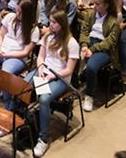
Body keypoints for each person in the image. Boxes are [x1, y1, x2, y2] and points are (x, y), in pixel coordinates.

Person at [27, 12, 80, 156]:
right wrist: (40, 68)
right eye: (50, 21)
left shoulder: (72, 43)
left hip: (61, 78)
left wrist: (52, 75)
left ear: (62, 24)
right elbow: (41, 57)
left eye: (54, 22)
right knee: (23, 85)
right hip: (44, 71)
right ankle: (25, 121)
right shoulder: (47, 36)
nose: (50, 25)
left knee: (44, 99)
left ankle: (43, 139)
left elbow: (69, 70)